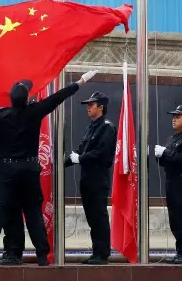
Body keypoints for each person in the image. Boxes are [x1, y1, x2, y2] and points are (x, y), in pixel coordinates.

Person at [0, 72, 96, 266]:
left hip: (7, 170)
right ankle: (42, 255)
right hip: (30, 169)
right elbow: (57, 97)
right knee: (33, 213)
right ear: (26, 99)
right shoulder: (35, 111)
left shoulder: (0, 116)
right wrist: (80, 82)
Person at [65, 91, 116, 265]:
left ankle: (102, 254)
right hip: (87, 179)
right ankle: (97, 252)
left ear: (100, 107)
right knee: (92, 218)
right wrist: (60, 164)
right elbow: (81, 150)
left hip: (98, 178)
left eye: (91, 105)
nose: (88, 108)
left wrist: (80, 158)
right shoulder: (91, 127)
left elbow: (102, 153)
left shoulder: (107, 128)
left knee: (99, 216)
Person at [154, 105, 182, 265]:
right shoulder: (173, 138)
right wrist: (158, 156)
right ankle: (180, 252)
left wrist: (165, 152)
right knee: (175, 220)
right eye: (173, 116)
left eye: (178, 116)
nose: (174, 119)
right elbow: (168, 162)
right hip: (171, 182)